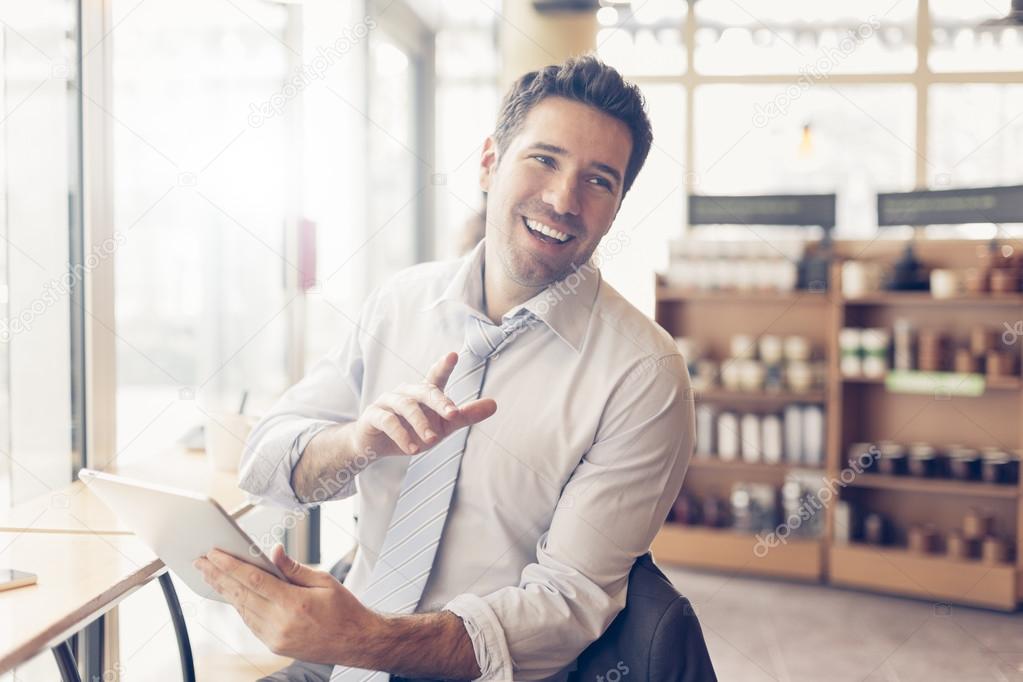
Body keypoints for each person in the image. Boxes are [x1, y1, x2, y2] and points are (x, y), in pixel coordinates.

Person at [196, 54, 694, 681]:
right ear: (490, 163)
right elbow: (266, 466)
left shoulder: (643, 375)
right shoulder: (399, 302)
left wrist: (366, 638)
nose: (564, 198)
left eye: (599, 180)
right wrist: (355, 443)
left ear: (617, 207)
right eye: (544, 159)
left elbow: (567, 607)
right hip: (341, 656)